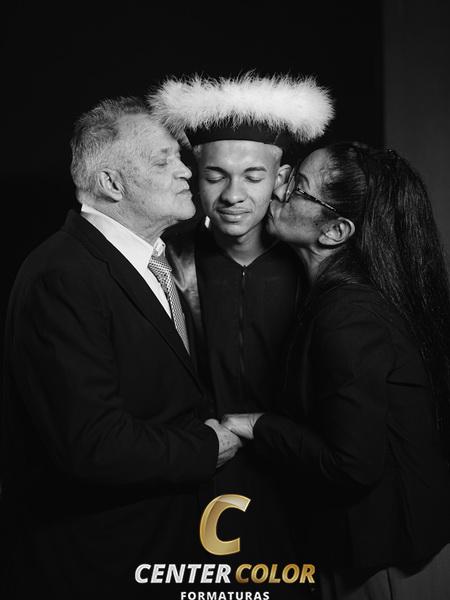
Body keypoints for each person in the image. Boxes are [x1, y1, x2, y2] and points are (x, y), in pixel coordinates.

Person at [1, 96, 241, 599]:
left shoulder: (156, 259)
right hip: (99, 564)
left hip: (162, 547)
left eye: (180, 158)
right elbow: (92, 445)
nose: (186, 171)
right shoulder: (62, 276)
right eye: (162, 160)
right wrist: (207, 447)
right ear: (112, 183)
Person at [223, 142, 450, 599]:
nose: (278, 189)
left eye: (297, 187)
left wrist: (257, 425)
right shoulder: (340, 298)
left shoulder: (348, 315)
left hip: (387, 567)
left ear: (335, 231)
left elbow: (351, 465)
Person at [148, 74, 334, 573]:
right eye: (216, 176)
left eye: (253, 176)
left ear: (281, 178)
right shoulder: (167, 261)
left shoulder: (313, 265)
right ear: (194, 175)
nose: (234, 194)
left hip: (301, 477)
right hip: (201, 475)